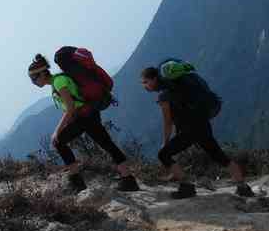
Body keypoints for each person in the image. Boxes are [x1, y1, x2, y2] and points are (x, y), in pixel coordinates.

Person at [28, 54, 139, 193]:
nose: (33, 82)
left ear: (42, 74)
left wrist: (57, 131)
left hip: (85, 117)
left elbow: (70, 108)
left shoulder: (59, 82)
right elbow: (70, 108)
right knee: (106, 144)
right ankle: (127, 179)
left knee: (61, 141)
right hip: (86, 116)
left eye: (34, 78)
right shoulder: (57, 82)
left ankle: (79, 183)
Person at [141, 66, 254, 199]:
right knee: (219, 156)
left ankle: (186, 186)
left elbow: (168, 122)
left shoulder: (165, 96)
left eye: (146, 82)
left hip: (190, 130)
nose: (144, 86)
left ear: (154, 79)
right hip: (202, 124)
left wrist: (165, 142)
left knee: (163, 155)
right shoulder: (178, 87)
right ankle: (243, 187)